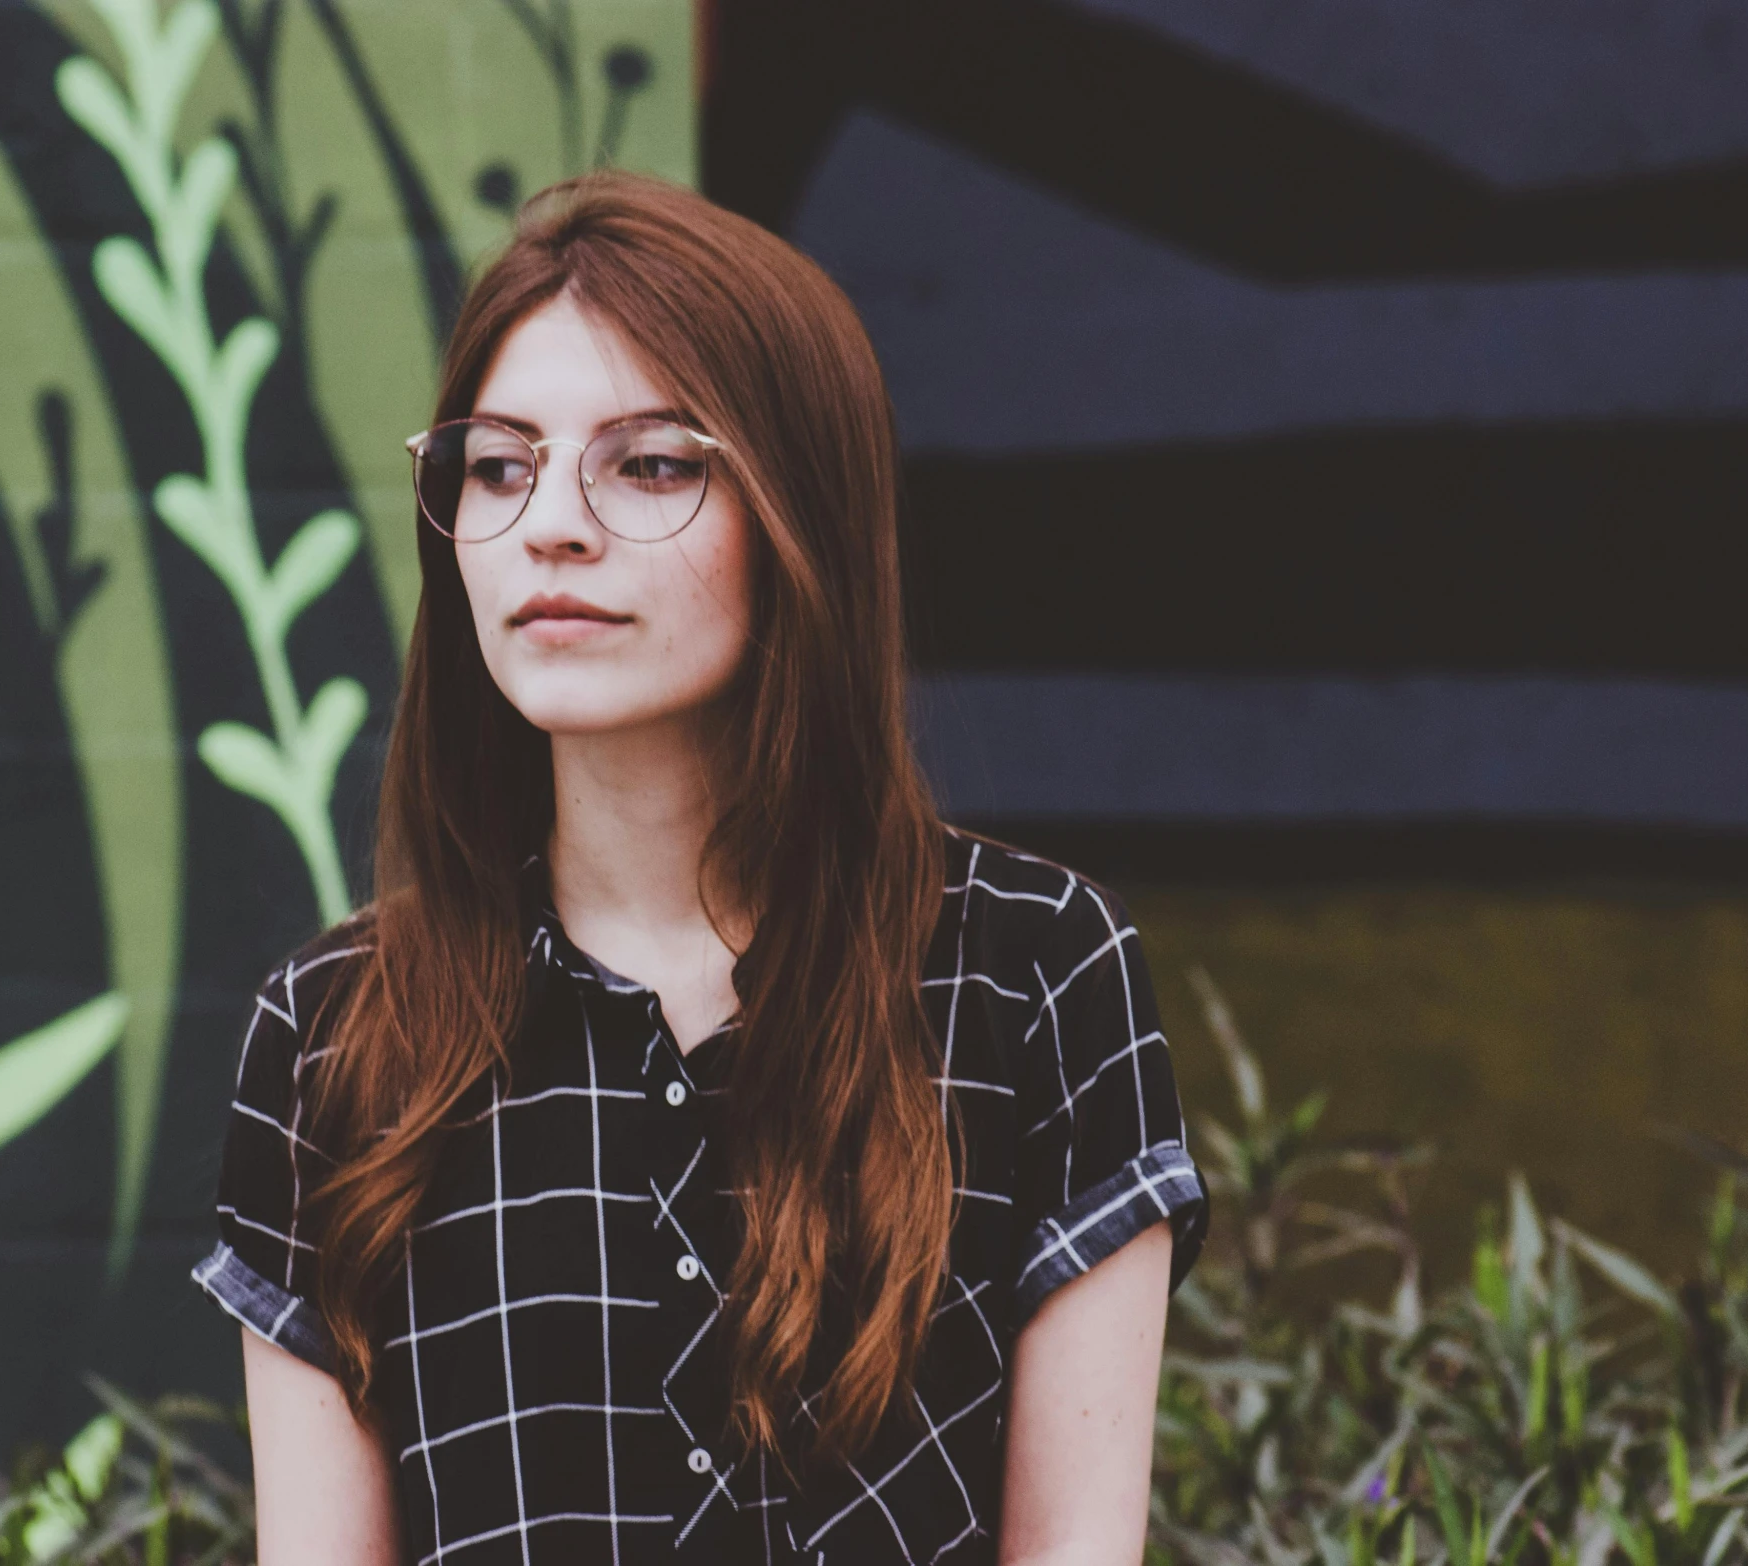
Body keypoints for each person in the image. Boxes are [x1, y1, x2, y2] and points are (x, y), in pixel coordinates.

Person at [192, 170, 1207, 1566]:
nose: (550, 522)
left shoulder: (1034, 973)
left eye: (652, 462)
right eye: (499, 464)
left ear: (802, 517)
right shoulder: (336, 1033)